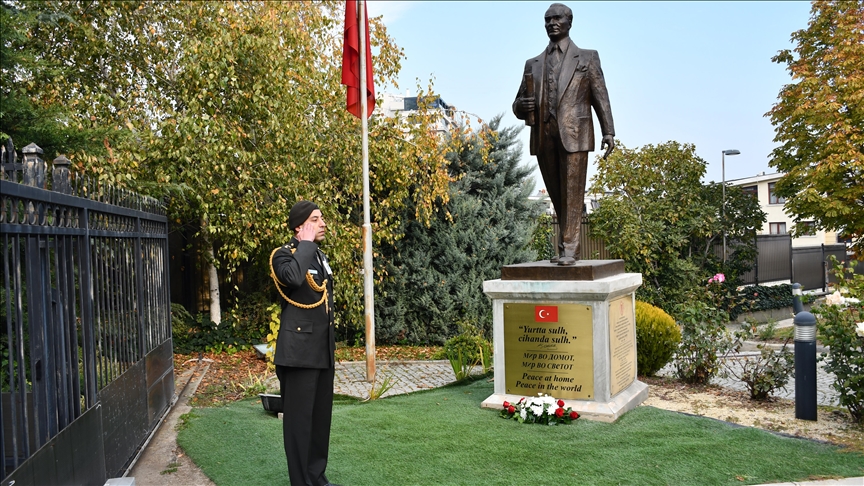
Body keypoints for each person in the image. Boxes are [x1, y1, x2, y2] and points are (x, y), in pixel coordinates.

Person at [513, 2, 616, 265]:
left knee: (573, 192)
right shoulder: (533, 63)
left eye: (557, 18)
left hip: (575, 132)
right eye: (547, 19)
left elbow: (599, 96)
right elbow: (517, 104)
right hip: (543, 135)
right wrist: (521, 107)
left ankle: (570, 250)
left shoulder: (587, 57)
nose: (551, 23)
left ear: (570, 22)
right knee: (557, 194)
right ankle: (565, 247)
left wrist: (608, 131)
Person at [269, 201, 338, 486]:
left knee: (320, 423)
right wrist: (305, 244)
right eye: (315, 219)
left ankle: (316, 477)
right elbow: (292, 278)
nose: (322, 223)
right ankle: (301, 482)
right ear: (300, 226)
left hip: (321, 351)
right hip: (298, 354)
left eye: (322, 218)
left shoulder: (318, 256)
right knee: (299, 424)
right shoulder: (283, 256)